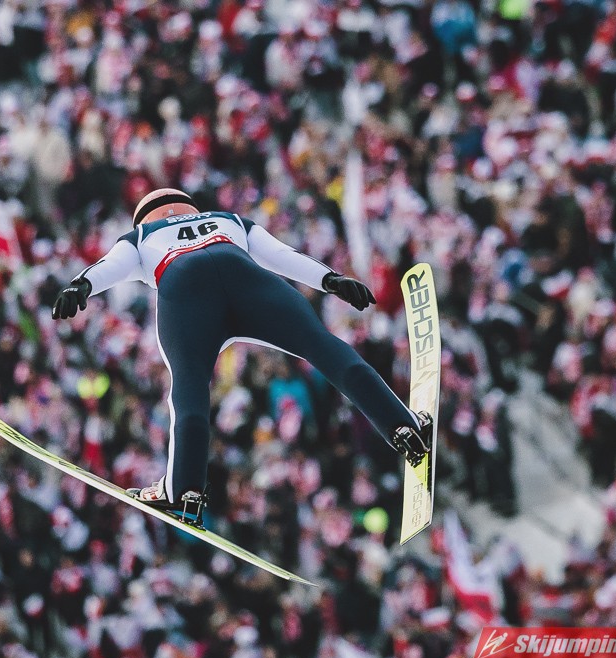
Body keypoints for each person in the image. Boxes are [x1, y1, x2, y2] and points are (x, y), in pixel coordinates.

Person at [53, 188, 433, 517]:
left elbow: (109, 266)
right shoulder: (228, 219)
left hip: (184, 287)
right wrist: (330, 279)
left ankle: (184, 490)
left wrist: (80, 286)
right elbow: (281, 254)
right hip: (247, 278)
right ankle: (402, 425)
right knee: (323, 347)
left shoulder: (140, 235)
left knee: (189, 386)